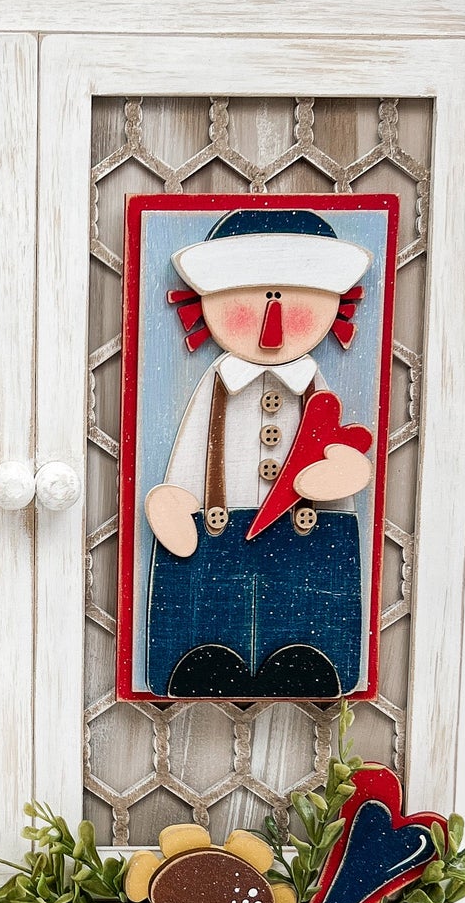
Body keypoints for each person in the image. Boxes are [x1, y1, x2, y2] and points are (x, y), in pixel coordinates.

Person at [145, 208, 375, 699]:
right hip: (213, 528)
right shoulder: (216, 384)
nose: (274, 321)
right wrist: (174, 499)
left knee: (306, 622)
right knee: (209, 620)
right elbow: (191, 448)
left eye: (294, 300)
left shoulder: (316, 384)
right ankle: (204, 656)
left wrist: (343, 472)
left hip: (312, 532)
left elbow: (338, 443)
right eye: (254, 301)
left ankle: (309, 657)